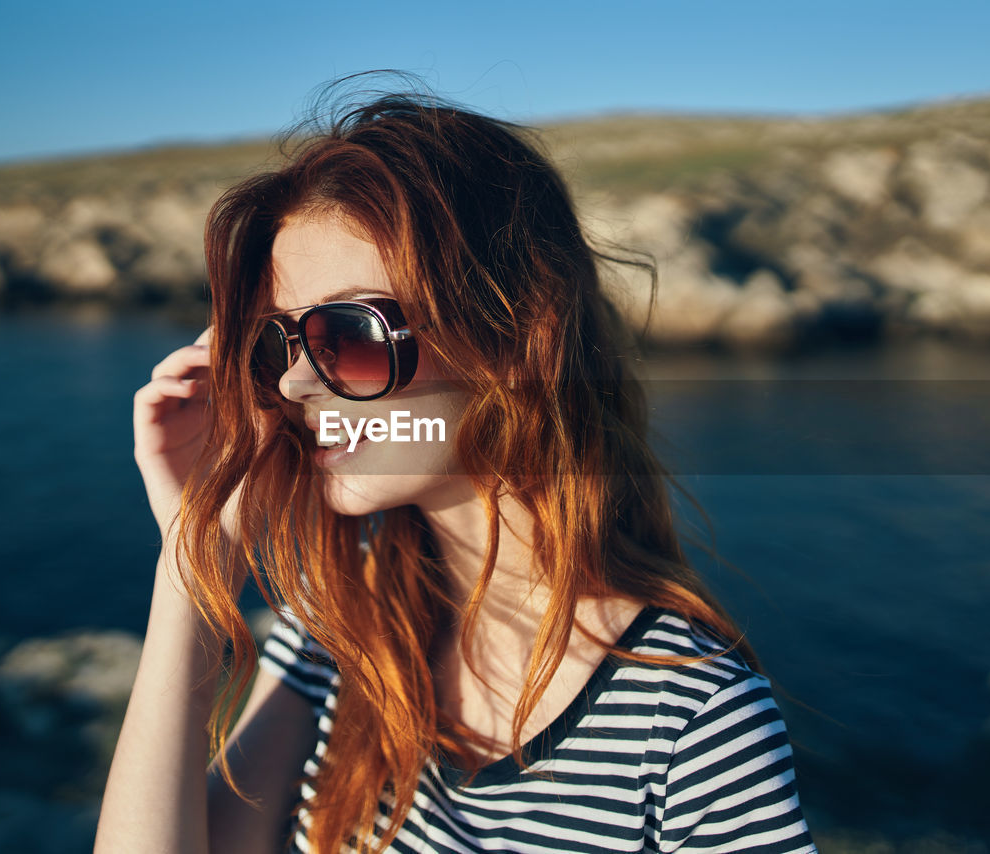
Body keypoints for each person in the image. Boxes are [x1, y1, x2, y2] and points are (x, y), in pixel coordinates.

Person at [96, 84, 818, 854]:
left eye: (350, 333)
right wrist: (195, 551)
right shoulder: (339, 626)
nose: (296, 385)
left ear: (512, 341)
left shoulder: (688, 717)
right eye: (277, 344)